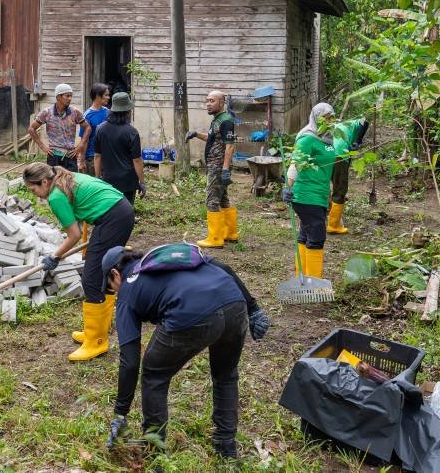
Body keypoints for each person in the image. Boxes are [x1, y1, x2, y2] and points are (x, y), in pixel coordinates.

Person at [101, 244, 270, 459]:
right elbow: (223, 267)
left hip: (191, 314)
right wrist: (253, 309)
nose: (115, 292)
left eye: (111, 287)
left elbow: (130, 361)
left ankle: (155, 451)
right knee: (226, 375)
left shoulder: (126, 292)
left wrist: (120, 413)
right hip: (233, 302)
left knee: (154, 374)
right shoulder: (167, 256)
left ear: (115, 274)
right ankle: (226, 448)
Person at [23, 162, 134, 361]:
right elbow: (80, 217)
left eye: (34, 189)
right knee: (102, 273)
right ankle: (98, 330)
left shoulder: (56, 196)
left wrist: (55, 257)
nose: (35, 195)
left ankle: (96, 341)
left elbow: (73, 234)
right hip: (120, 209)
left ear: (45, 181)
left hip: (113, 217)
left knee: (91, 280)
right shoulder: (63, 176)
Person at [283, 102, 338, 278]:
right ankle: (313, 283)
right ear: (316, 118)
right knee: (316, 236)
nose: (329, 121)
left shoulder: (328, 138)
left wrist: (328, 193)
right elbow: (295, 164)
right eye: (325, 118)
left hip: (319, 194)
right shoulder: (307, 138)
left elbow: (327, 168)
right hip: (306, 195)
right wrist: (287, 187)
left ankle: (303, 278)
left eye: (331, 117)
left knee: (306, 234)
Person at [185, 90, 237, 248]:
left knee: (211, 200)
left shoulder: (226, 121)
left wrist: (225, 169)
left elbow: (230, 146)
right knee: (223, 199)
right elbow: (213, 138)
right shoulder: (217, 120)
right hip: (216, 166)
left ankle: (215, 239)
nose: (208, 104)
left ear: (221, 103)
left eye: (212, 101)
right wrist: (196, 134)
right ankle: (230, 234)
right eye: (207, 100)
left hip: (218, 167)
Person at [93, 92, 145, 204]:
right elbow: (137, 160)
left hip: (108, 179)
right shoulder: (132, 132)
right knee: (126, 209)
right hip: (128, 181)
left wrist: (97, 177)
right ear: (127, 111)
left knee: (109, 209)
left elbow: (97, 156)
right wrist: (142, 181)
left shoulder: (100, 129)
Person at [28, 83, 91, 172]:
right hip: (54, 156)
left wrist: (80, 145)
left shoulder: (75, 112)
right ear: (58, 97)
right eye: (67, 96)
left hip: (71, 155)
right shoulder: (47, 113)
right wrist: (42, 146)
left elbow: (88, 127)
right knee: (54, 179)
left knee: (71, 180)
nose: (70, 98)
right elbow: (31, 129)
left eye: (71, 96)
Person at [327, 116, 370, 234]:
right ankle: (333, 226)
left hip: (326, 152)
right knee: (340, 188)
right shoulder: (354, 123)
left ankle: (327, 217)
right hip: (339, 154)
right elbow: (365, 121)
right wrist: (358, 141)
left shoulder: (339, 127)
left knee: (326, 184)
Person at [78, 83, 111, 176]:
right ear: (97, 96)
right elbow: (84, 140)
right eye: (106, 95)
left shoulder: (108, 112)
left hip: (107, 156)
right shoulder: (87, 115)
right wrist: (82, 160)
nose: (108, 97)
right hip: (92, 157)